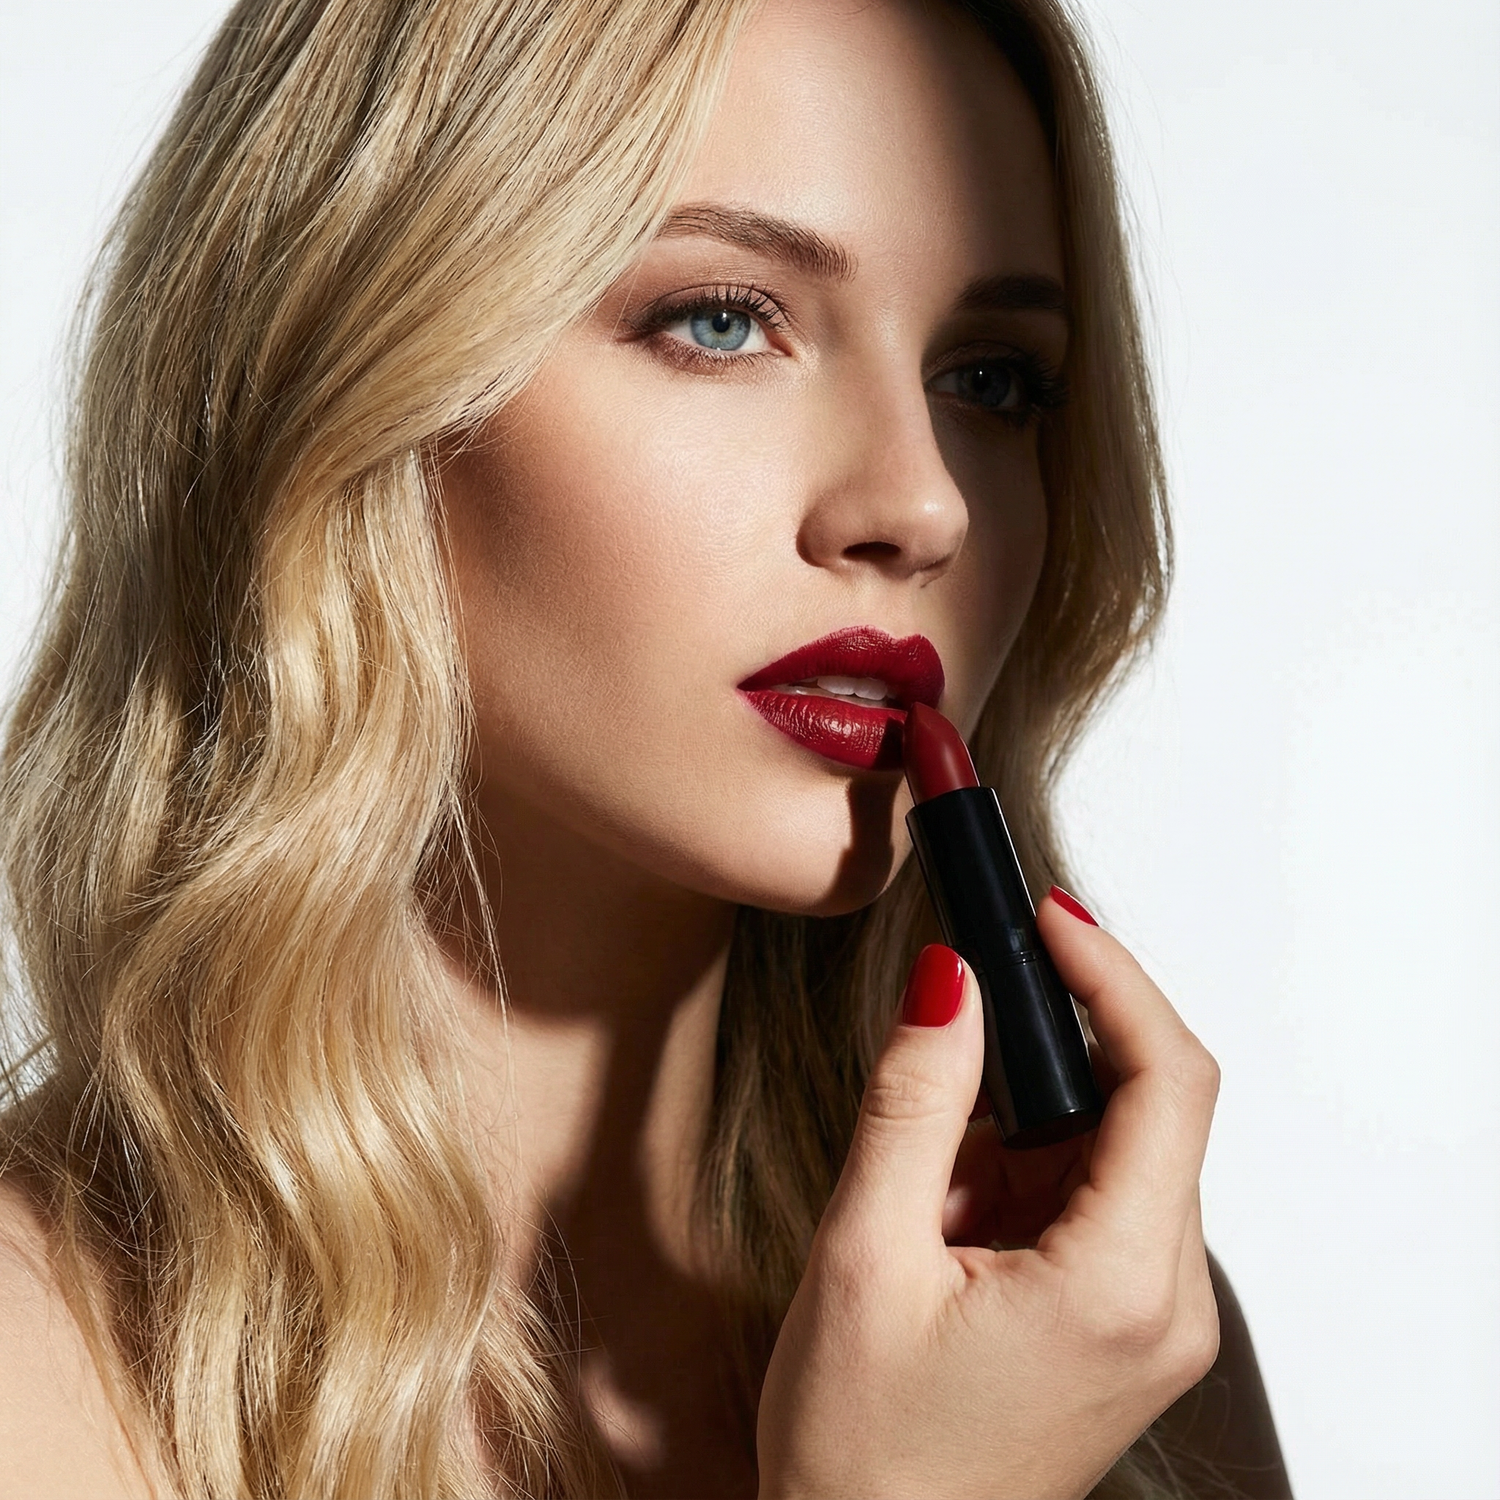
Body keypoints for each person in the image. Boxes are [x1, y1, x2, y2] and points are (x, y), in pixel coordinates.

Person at [0, 0, 1294, 1495]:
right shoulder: (38, 1375)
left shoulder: (1093, 1351)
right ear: (345, 379)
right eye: (722, 322)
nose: (924, 503)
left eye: (990, 379)